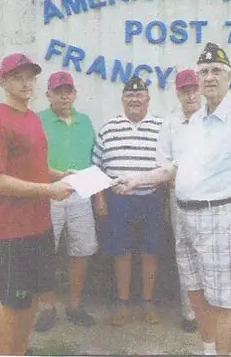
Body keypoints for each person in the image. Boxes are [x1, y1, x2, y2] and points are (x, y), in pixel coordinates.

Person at [114, 42, 231, 356]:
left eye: (216, 71)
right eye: (203, 72)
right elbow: (175, 167)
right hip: (185, 217)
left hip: (220, 218)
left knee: (222, 303)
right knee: (196, 296)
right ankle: (209, 350)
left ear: (230, 76)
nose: (209, 77)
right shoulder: (196, 119)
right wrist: (137, 179)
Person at [0, 53, 73, 355]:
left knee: (31, 296)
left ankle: (20, 350)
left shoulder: (32, 117)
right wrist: (48, 189)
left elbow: (32, 164)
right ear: (2, 81)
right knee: (11, 303)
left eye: (30, 77)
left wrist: (60, 175)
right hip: (12, 230)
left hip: (40, 225)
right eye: (17, 77)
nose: (25, 83)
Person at [92, 76, 165, 327]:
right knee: (120, 251)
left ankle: (147, 302)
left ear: (148, 99)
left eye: (139, 95)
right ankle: (122, 303)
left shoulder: (161, 127)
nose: (134, 99)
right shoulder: (109, 128)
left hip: (151, 199)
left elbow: (168, 165)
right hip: (118, 202)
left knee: (151, 251)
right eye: (129, 95)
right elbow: (96, 167)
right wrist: (100, 198)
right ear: (122, 99)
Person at [34, 71, 101, 331]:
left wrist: (98, 196)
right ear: (48, 94)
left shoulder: (85, 121)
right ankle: (47, 306)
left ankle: (74, 304)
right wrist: (60, 176)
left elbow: (93, 160)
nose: (64, 95)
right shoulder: (37, 121)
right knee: (45, 250)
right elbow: (33, 161)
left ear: (74, 94)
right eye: (58, 91)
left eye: (68, 91)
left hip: (80, 195)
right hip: (48, 193)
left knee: (82, 250)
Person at [156, 68, 201, 333]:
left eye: (193, 89)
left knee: (211, 252)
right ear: (178, 93)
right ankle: (190, 312)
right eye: (185, 90)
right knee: (185, 251)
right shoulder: (170, 123)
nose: (190, 94)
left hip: (211, 198)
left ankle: (214, 307)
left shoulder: (211, 118)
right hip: (179, 196)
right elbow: (162, 159)